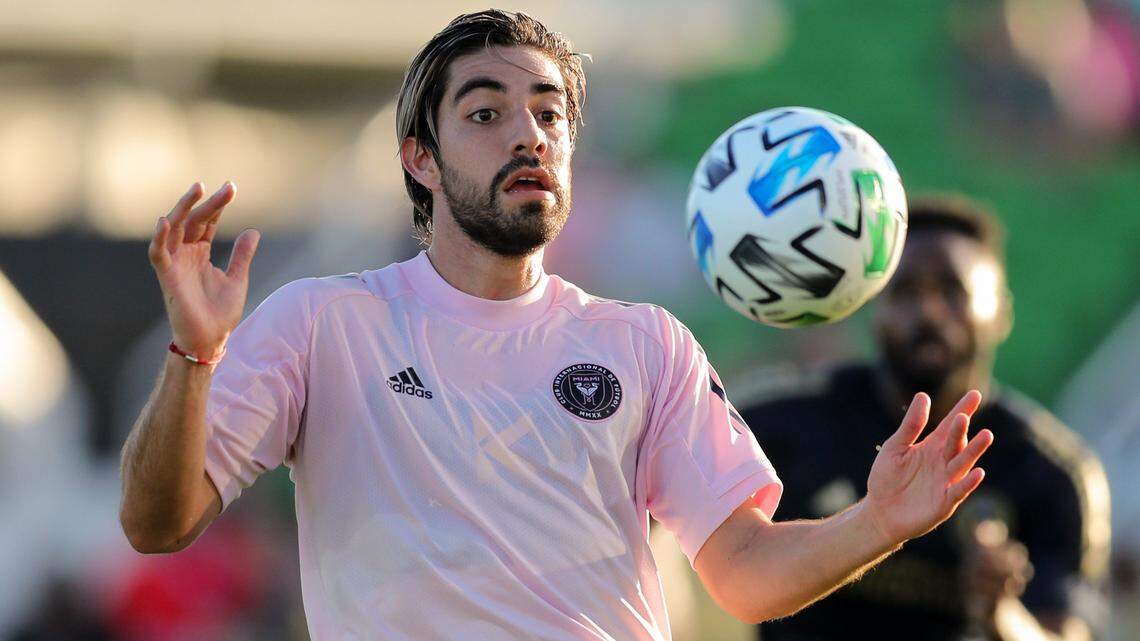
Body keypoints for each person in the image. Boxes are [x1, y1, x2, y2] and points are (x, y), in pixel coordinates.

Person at [117, 11, 993, 641]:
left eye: (550, 114)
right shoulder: (322, 321)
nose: (529, 136)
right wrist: (194, 356)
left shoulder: (646, 343)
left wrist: (877, 523)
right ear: (419, 158)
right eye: (487, 113)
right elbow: (158, 522)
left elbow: (745, 575)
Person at [740, 195, 1111, 641]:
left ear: (1001, 312)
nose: (929, 313)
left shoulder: (1053, 473)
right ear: (870, 305)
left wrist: (1002, 614)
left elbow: (1064, 634)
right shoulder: (780, 425)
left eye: (953, 292)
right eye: (905, 291)